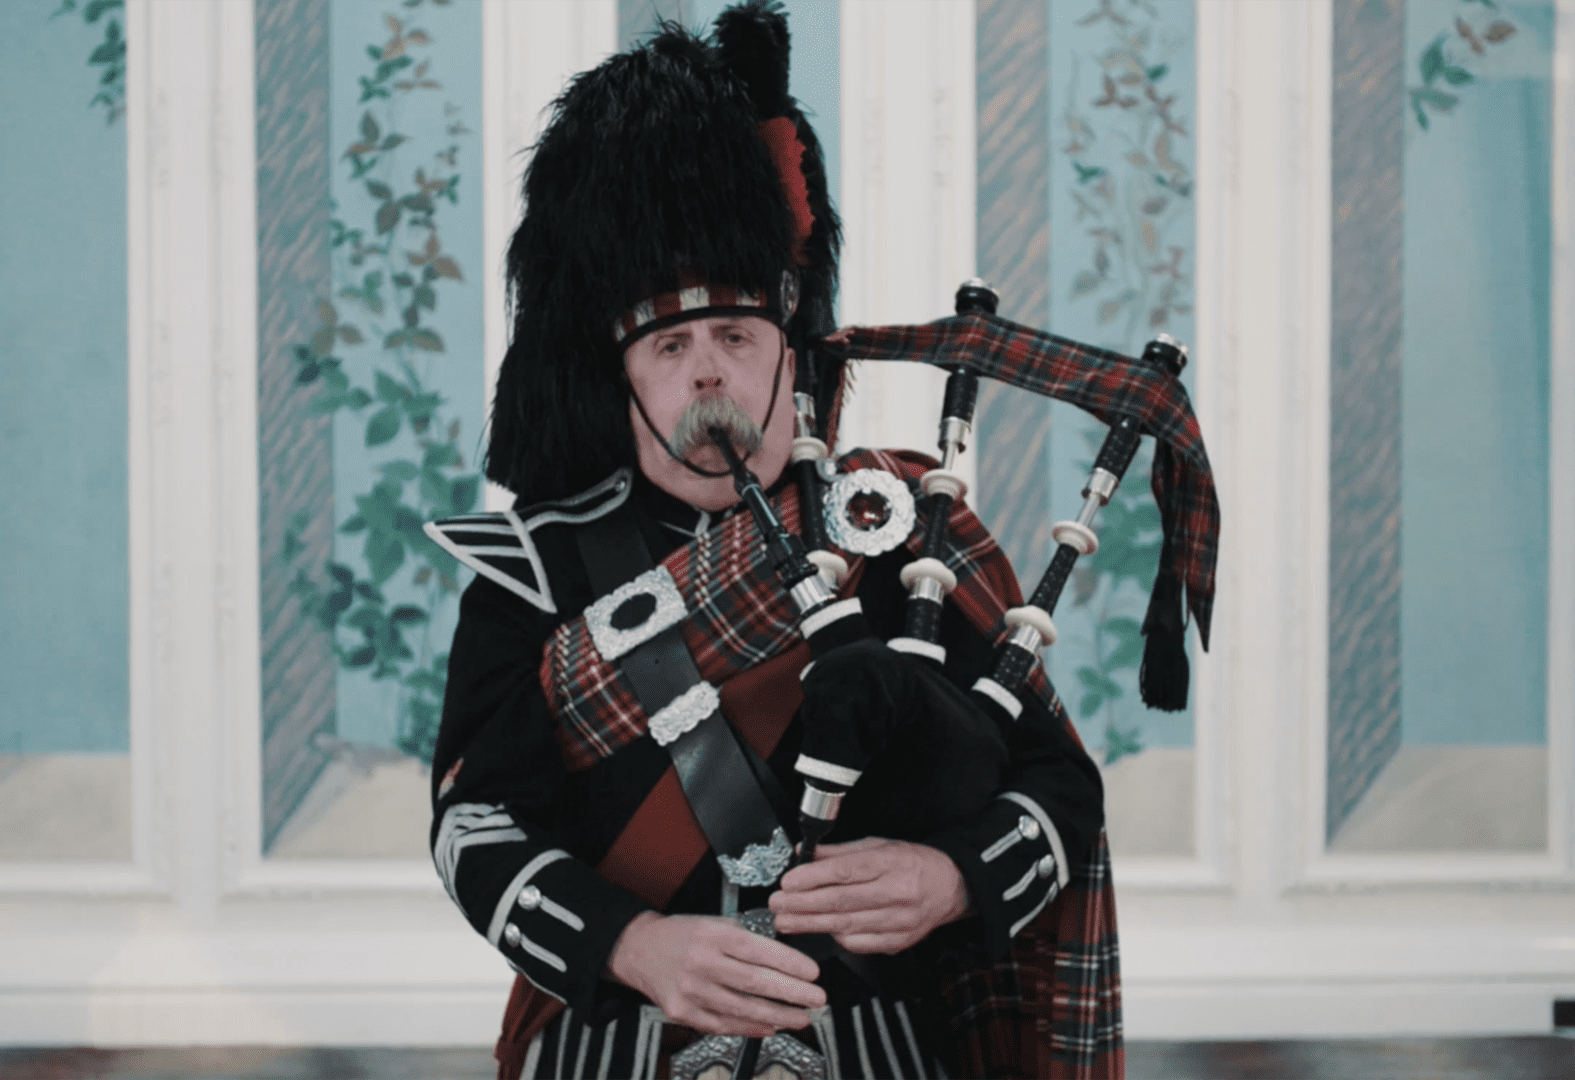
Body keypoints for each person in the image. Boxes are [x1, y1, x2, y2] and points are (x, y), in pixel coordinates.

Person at [427, 4, 1126, 1077]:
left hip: (870, 1047)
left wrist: (949, 877)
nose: (708, 369)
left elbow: (1058, 787)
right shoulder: (538, 570)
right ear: (616, 377)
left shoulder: (899, 536)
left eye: (737, 334)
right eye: (669, 341)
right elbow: (474, 827)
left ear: (790, 356)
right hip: (621, 1042)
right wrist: (634, 943)